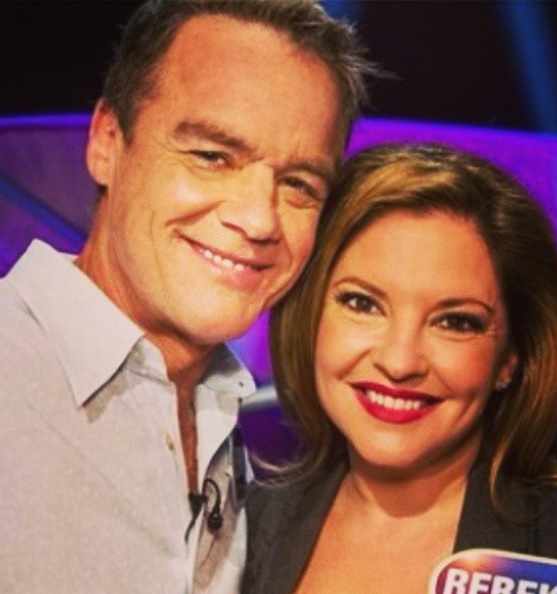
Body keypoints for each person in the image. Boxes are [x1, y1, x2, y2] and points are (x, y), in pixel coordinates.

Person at [0, 1, 374, 592]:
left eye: (299, 184)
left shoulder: (233, 438)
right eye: (212, 157)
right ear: (107, 142)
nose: (259, 219)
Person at [242, 143, 557, 594]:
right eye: (362, 303)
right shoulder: (231, 539)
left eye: (455, 322)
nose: (399, 362)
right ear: (310, 316)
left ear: (510, 358)